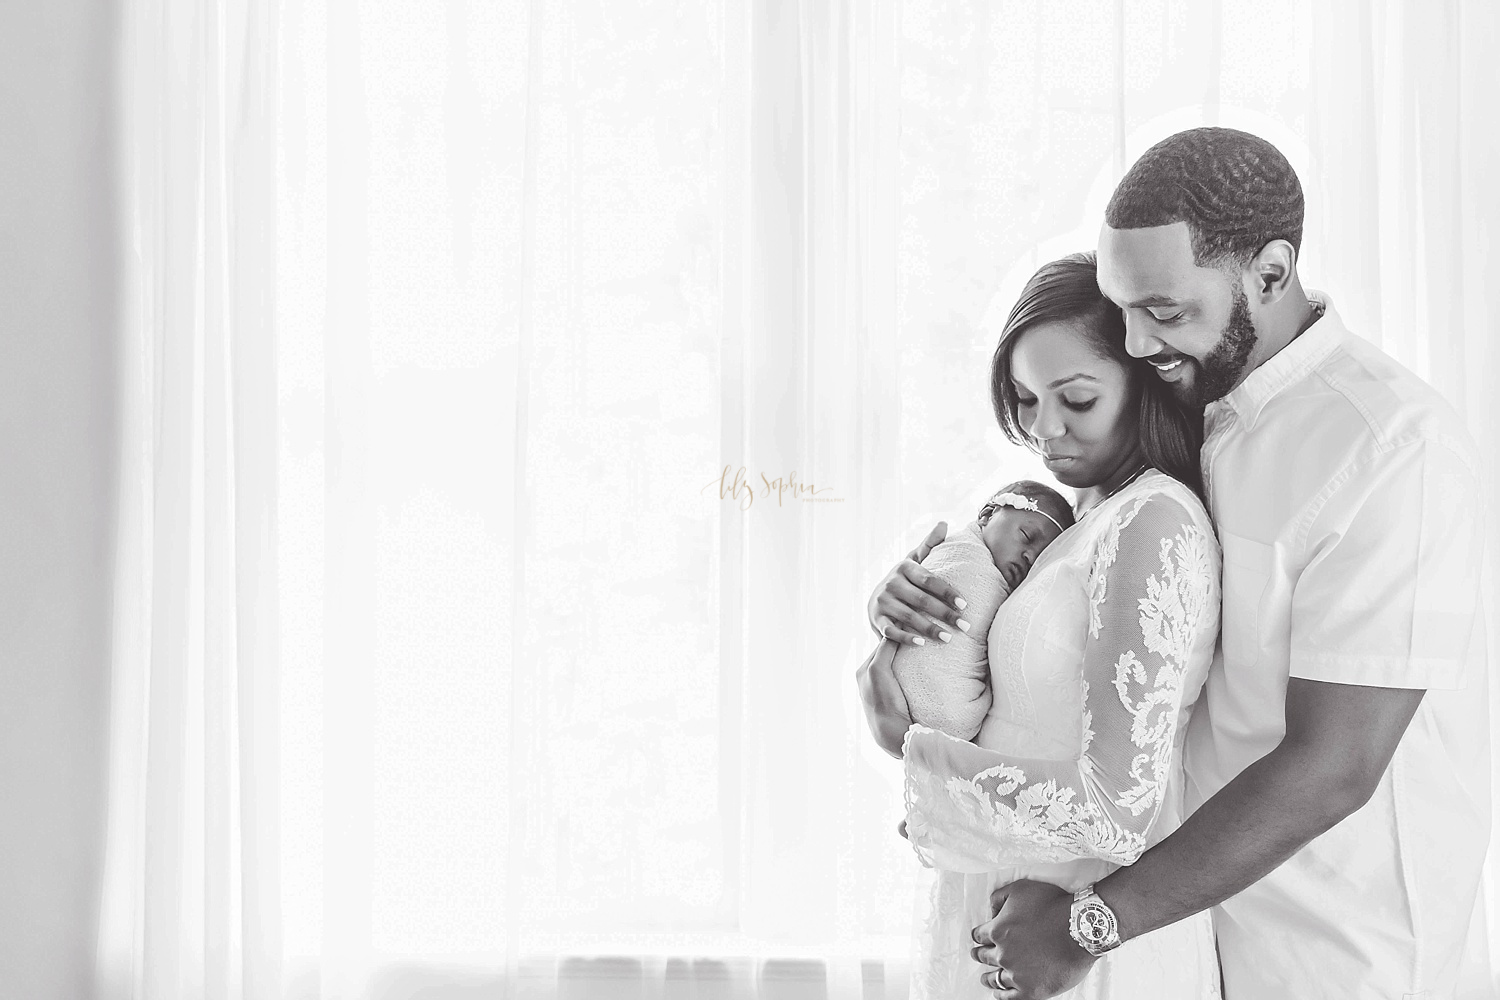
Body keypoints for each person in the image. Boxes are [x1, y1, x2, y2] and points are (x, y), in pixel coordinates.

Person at [960, 128, 1490, 999]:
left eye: (1163, 311)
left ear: (1272, 274)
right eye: (1121, 307)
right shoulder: (1194, 400)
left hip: (1341, 956)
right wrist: (971, 562)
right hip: (1189, 933)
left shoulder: (1394, 449)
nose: (1132, 343)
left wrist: (1093, 923)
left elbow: (1334, 766)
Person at [856, 252, 1223, 999]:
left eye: (1076, 399)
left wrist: (911, 746)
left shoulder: (1152, 519)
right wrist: (908, 618)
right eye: (1023, 397)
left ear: (1143, 380)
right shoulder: (1068, 522)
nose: (1041, 429)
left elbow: (1117, 808)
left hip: (1076, 931)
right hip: (1002, 907)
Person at [889, 480, 1074, 740]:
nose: (1030, 557)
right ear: (987, 515)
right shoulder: (963, 555)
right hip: (945, 720)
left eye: (1040, 558)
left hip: (929, 728)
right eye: (1027, 537)